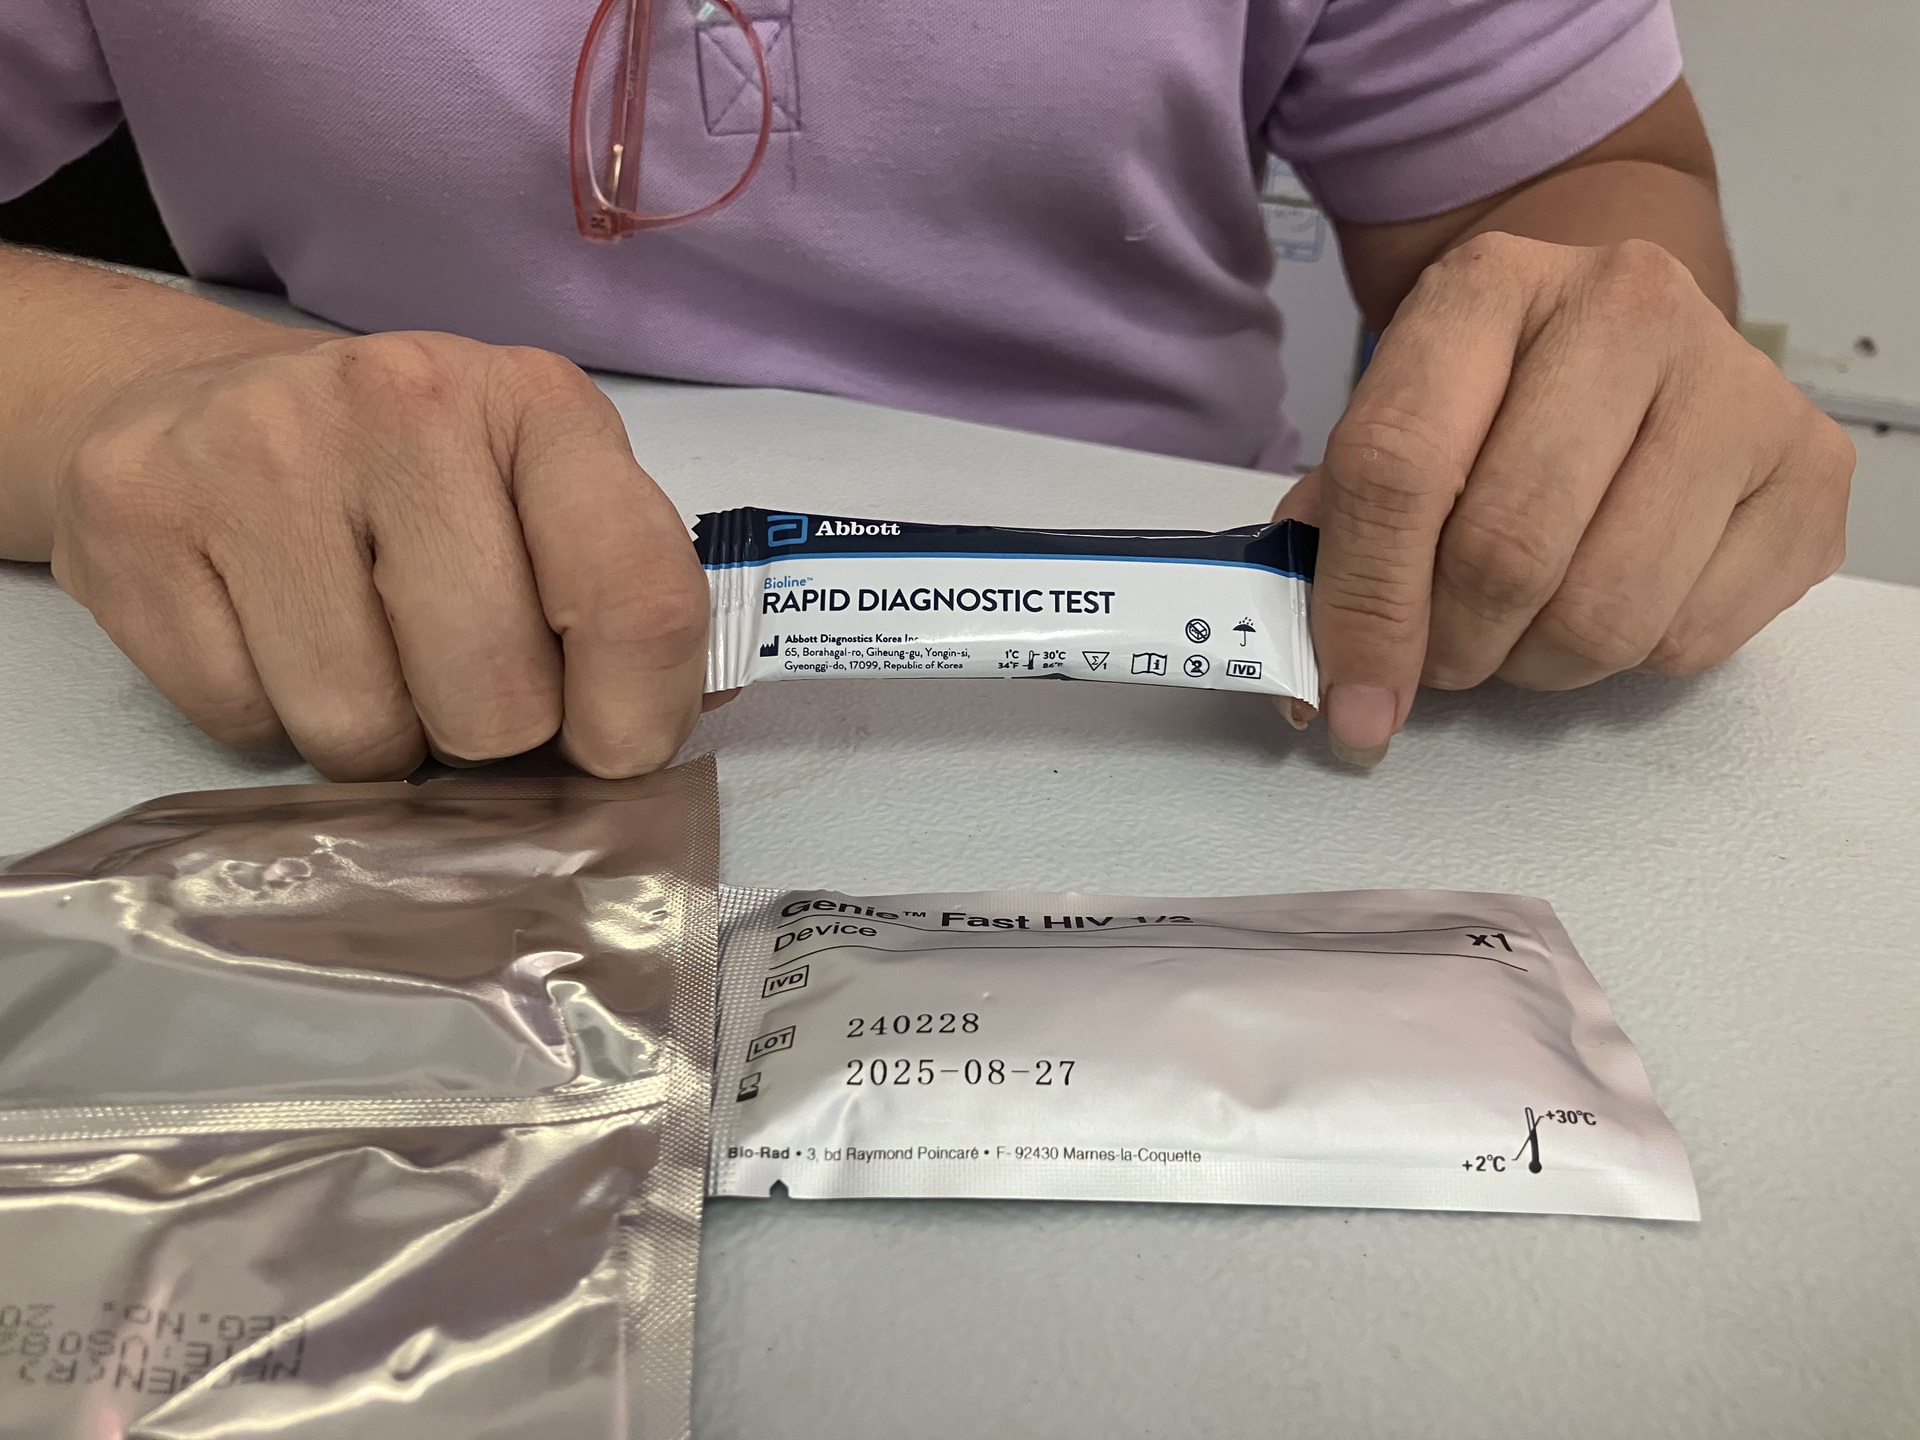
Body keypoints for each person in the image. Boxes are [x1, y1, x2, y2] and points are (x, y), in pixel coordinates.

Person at [0, 0, 1852, 778]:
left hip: (1227, 726)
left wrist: (1599, 392)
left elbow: (1580, 180)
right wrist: (117, 402)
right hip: (318, 661)